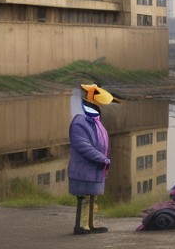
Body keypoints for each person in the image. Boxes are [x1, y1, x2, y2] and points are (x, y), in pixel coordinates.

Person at [68, 83, 121, 235]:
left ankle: (91, 224)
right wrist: (102, 159)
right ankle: (81, 226)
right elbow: (81, 145)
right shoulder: (80, 121)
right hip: (84, 170)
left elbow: (102, 144)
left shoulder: (96, 123)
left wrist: (104, 160)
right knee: (84, 199)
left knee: (93, 199)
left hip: (96, 170)